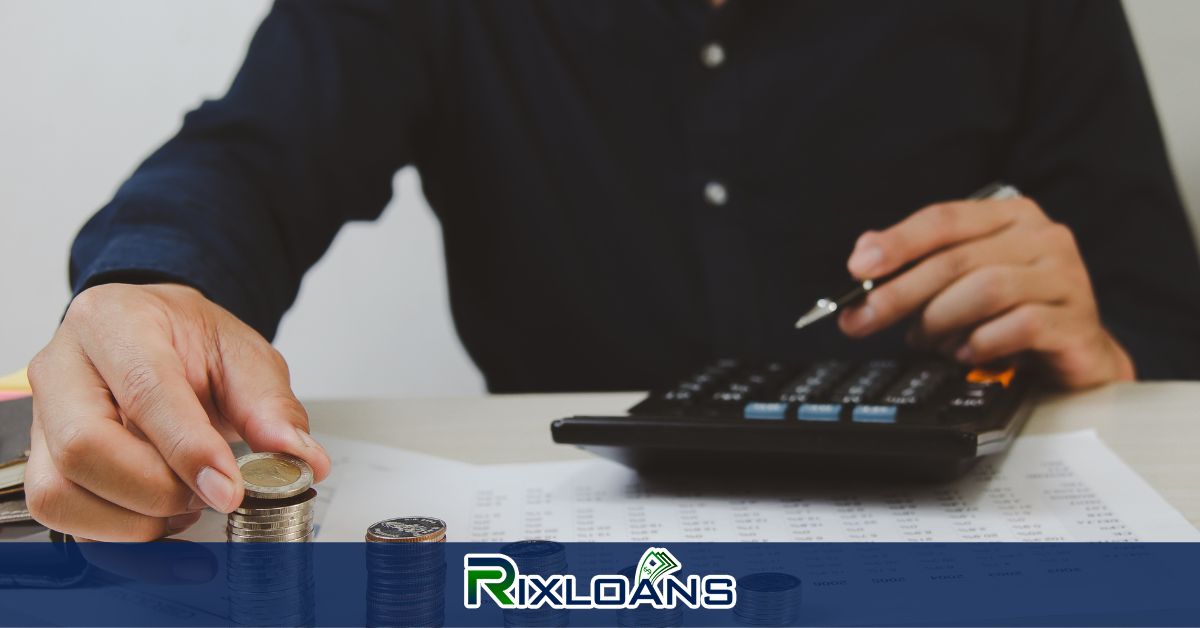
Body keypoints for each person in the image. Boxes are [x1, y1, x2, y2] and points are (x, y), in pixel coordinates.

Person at [24, 1, 1200, 541]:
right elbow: (250, 155)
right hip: (561, 563)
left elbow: (1160, 317)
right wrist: (148, 286)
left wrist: (1112, 350)